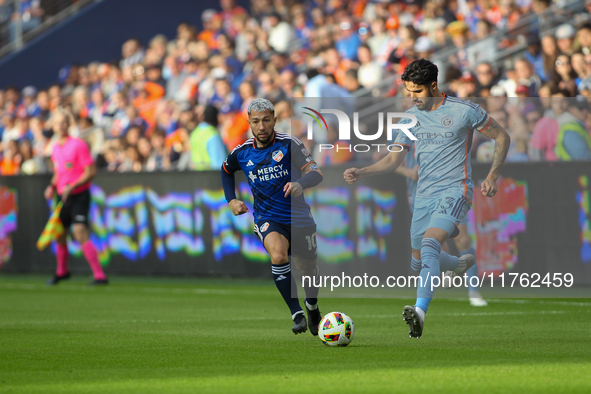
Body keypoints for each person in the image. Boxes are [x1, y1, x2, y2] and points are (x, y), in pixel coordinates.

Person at [344, 59, 510, 339]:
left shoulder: (464, 110)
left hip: (456, 190)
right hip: (424, 195)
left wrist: (492, 175)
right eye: (409, 91)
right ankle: (458, 264)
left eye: (417, 91)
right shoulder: (410, 118)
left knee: (432, 242)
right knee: (419, 262)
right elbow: (394, 159)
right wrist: (362, 171)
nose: (412, 97)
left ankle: (419, 313)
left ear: (433, 85)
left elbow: (502, 137)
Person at [221, 98, 323, 335]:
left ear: (275, 120)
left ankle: (312, 306)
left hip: (299, 218)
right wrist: (231, 199)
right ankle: (297, 312)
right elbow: (226, 170)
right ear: (249, 123)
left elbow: (315, 173)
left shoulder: (289, 145)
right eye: (256, 121)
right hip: (267, 217)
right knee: (278, 255)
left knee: (308, 270)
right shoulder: (241, 152)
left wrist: (300, 183)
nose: (261, 126)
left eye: (266, 120)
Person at [44, 109, 108, 286]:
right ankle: (62, 271)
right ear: (53, 126)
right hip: (62, 196)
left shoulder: (78, 144)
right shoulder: (55, 147)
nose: (60, 126)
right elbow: (59, 172)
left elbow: (91, 171)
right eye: (57, 123)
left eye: (64, 122)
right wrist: (51, 186)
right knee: (60, 234)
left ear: (68, 124)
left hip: (79, 194)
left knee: (79, 232)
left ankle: (99, 275)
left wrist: (73, 186)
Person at [190, 105, 227, 170]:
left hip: (197, 176)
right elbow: (219, 164)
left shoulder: (195, 132)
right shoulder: (213, 135)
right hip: (210, 176)